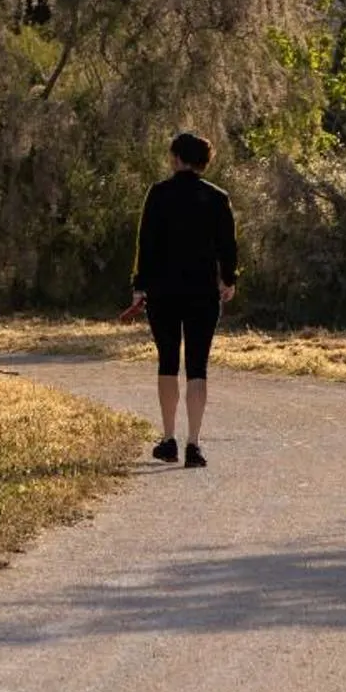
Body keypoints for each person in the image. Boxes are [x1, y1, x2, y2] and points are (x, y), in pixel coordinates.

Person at [127, 131, 238, 468]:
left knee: (167, 362)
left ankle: (168, 438)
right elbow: (228, 246)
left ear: (176, 158)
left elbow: (145, 244)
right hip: (203, 292)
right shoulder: (217, 198)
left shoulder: (158, 195)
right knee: (198, 367)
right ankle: (194, 444)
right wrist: (229, 280)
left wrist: (139, 286)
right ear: (203, 161)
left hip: (163, 292)